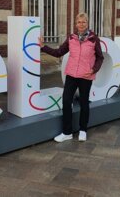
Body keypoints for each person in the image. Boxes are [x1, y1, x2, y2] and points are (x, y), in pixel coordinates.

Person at [39, 13, 104, 142]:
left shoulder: (93, 39)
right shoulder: (71, 38)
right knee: (66, 101)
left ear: (87, 23)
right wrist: (43, 47)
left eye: (83, 22)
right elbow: (59, 53)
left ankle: (83, 130)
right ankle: (67, 132)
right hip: (71, 75)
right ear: (75, 24)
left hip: (86, 76)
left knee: (84, 103)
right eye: (79, 22)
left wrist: (93, 70)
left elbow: (100, 58)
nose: (81, 24)